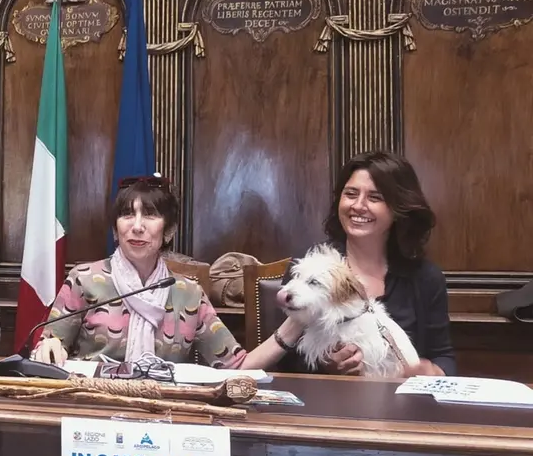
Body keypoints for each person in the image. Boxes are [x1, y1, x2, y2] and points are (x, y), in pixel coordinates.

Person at [31, 176, 287, 369]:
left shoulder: (188, 293)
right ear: (115, 230)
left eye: (150, 215)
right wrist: (49, 346)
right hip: (93, 409)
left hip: (164, 411)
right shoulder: (84, 279)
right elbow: (48, 350)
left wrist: (294, 327)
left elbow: (238, 367)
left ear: (169, 231)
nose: (137, 226)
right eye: (127, 215)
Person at [273, 150, 454, 376]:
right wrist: (325, 366)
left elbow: (443, 356)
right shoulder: (309, 265)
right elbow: (284, 361)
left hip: (403, 396)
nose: (358, 205)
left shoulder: (425, 277)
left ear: (399, 208)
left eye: (375, 197)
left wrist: (432, 372)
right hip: (326, 398)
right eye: (350, 194)